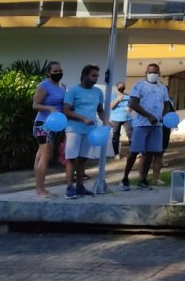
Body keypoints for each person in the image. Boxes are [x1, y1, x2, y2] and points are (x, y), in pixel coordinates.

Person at [119, 63, 171, 191]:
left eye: (155, 72)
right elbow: (133, 103)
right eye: (150, 72)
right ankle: (125, 178)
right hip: (141, 124)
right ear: (146, 73)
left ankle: (143, 179)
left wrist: (163, 116)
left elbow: (166, 104)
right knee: (134, 151)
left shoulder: (162, 88)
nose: (152, 74)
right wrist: (148, 116)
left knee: (150, 153)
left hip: (157, 125)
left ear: (159, 73)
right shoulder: (139, 85)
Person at [62, 64, 108, 199]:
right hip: (73, 130)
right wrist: (83, 118)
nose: (96, 78)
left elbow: (100, 110)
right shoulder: (73, 91)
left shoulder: (98, 92)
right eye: (93, 75)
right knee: (71, 159)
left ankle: (80, 187)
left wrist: (106, 121)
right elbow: (66, 110)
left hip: (90, 131)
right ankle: (70, 188)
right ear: (84, 75)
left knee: (83, 159)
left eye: (97, 76)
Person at [31, 61, 66, 198]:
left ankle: (38, 187)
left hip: (54, 125)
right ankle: (40, 190)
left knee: (41, 155)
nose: (58, 73)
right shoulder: (44, 85)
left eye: (60, 71)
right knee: (45, 155)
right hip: (42, 124)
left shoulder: (62, 87)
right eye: (55, 71)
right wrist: (50, 108)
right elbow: (35, 105)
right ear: (49, 73)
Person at [109, 81, 132, 160]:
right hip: (116, 118)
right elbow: (111, 106)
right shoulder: (113, 96)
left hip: (127, 118)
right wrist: (118, 99)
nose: (122, 88)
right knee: (115, 136)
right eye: (120, 87)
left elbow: (131, 107)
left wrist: (130, 108)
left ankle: (133, 152)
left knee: (131, 135)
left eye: (123, 87)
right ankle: (116, 154)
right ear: (117, 87)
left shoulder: (128, 96)